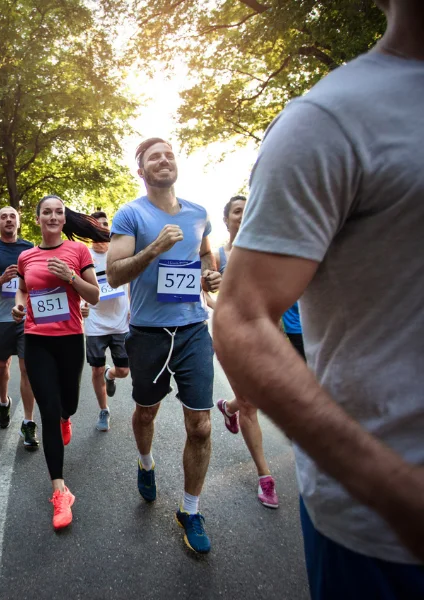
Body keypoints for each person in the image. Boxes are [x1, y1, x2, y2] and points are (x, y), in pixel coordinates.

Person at [213, 0, 424, 595]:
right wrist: (398, 493)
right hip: (383, 539)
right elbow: (240, 316)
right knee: (241, 404)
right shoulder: (328, 118)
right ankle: (259, 462)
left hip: (302, 339)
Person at [107, 137, 222, 554]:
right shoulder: (130, 214)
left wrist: (211, 276)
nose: (164, 160)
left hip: (192, 329)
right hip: (149, 333)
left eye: (169, 154)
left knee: (201, 425)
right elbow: (115, 273)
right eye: (154, 157)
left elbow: (205, 254)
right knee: (146, 412)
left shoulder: (199, 213)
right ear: (141, 171)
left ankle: (190, 510)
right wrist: (155, 248)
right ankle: (146, 463)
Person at [13, 195, 108, 530]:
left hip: (69, 340)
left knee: (69, 403)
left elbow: (94, 295)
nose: (53, 216)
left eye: (58, 212)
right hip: (36, 340)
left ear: (64, 219)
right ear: (37, 218)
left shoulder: (78, 251)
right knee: (48, 413)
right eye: (46, 212)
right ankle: (60, 491)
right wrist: (18, 306)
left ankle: (67, 416)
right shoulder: (26, 256)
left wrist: (70, 276)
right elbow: (23, 290)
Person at [206, 195, 279, 509]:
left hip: (265, 335)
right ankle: (265, 477)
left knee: (258, 397)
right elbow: (204, 293)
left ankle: (228, 407)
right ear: (227, 220)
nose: (244, 214)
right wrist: (221, 300)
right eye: (237, 211)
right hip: (231, 336)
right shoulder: (218, 255)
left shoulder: (268, 252)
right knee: (251, 405)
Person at [0, 207, 39, 449]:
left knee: (27, 368)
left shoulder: (30, 248)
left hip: (25, 317)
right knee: (2, 364)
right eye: (3, 217)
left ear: (19, 222)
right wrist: (2, 279)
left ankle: (28, 422)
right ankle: (4, 402)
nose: (8, 219)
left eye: (12, 216)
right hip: (0, 318)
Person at [80, 210, 130, 432]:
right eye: (96, 224)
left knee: (124, 371)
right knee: (96, 370)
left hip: (120, 322)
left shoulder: (120, 253)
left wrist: (133, 308)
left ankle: (112, 374)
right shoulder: (85, 256)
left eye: (105, 224)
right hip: (95, 323)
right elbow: (78, 286)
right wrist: (81, 305)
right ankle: (104, 410)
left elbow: (131, 282)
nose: (102, 227)